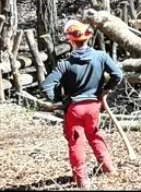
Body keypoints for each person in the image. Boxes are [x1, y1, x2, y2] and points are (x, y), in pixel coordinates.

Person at [41, 20, 124, 189]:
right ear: (88, 38)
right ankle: (109, 169)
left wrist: (57, 100)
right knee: (95, 135)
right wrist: (106, 89)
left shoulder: (65, 64)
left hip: (75, 109)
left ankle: (82, 180)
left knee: (76, 143)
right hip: (94, 106)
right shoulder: (101, 56)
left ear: (70, 40)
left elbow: (46, 85)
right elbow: (117, 74)